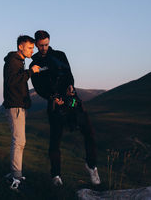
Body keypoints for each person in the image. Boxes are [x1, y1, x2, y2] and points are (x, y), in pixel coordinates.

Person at [29, 30, 100, 186]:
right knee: (55, 140)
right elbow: (38, 87)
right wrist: (52, 97)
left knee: (88, 131)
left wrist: (70, 87)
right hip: (55, 105)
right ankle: (56, 176)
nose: (44, 48)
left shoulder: (60, 55)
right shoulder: (34, 64)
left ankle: (91, 166)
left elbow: (70, 75)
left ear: (49, 42)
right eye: (41, 45)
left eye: (46, 44)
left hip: (72, 101)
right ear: (36, 44)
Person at [3, 35, 40, 190]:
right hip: (15, 106)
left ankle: (14, 174)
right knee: (19, 142)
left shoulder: (17, 61)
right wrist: (30, 72)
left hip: (19, 106)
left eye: (33, 47)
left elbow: (16, 80)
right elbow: (12, 82)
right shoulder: (13, 61)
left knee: (19, 141)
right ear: (20, 47)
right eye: (30, 47)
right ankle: (15, 178)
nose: (33, 50)